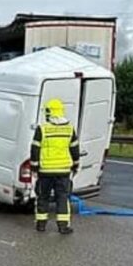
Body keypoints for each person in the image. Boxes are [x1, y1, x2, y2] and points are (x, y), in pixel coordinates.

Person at [30, 98, 80, 234]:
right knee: (62, 198)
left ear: (49, 112)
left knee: (43, 197)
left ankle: (41, 224)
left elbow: (35, 149)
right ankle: (63, 226)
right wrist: (75, 165)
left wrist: (34, 167)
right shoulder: (70, 129)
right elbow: (75, 149)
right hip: (63, 171)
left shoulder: (43, 129)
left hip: (45, 171)